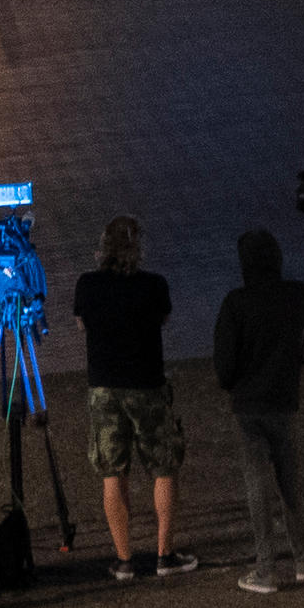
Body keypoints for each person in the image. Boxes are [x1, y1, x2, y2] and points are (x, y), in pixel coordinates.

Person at [72, 215, 193, 578]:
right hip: (147, 385)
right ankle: (164, 555)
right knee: (163, 467)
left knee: (112, 472)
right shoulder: (154, 285)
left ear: (102, 247)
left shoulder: (87, 285)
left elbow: (82, 324)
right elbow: (164, 320)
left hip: (105, 388)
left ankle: (124, 559)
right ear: (137, 248)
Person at [210, 227, 304, 592]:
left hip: (249, 404)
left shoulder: (235, 304)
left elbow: (225, 367)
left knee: (257, 484)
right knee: (289, 482)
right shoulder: (296, 295)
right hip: (283, 399)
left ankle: (265, 568)